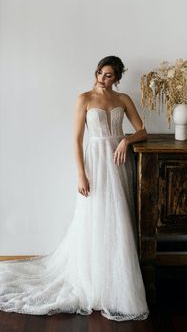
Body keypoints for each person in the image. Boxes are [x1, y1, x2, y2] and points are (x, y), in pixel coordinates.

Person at [0, 56, 149, 321]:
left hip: (118, 162)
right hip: (95, 163)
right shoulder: (84, 99)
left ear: (117, 78)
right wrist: (81, 174)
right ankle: (93, 278)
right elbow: (77, 139)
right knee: (96, 217)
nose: (103, 79)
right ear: (96, 72)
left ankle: (116, 279)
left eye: (109, 75)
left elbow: (143, 131)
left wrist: (126, 140)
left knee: (118, 218)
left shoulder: (123, 99)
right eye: (100, 73)